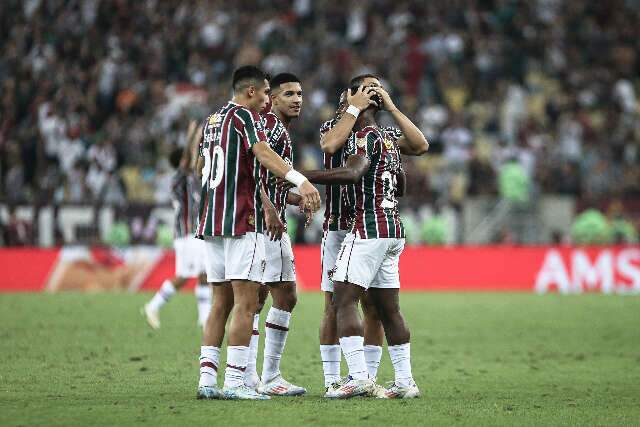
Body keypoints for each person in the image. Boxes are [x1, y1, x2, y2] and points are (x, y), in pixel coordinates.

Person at [195, 65, 320, 401]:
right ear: (252, 91)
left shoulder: (212, 121)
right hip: (241, 221)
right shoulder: (245, 118)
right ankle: (239, 381)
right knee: (248, 302)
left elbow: (200, 168)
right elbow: (263, 156)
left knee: (220, 302)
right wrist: (301, 181)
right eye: (266, 93)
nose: (267, 100)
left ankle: (207, 379)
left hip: (211, 220)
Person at [304, 74, 428, 399]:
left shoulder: (371, 135)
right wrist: (354, 108)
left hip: (366, 227)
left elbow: (358, 169)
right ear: (349, 93)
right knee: (375, 308)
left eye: (377, 88)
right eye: (369, 87)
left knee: (350, 302)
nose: (373, 92)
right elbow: (398, 182)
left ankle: (360, 377)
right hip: (377, 227)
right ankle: (398, 382)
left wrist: (299, 177)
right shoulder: (349, 128)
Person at [242, 73, 307, 396]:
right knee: (286, 294)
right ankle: (270, 376)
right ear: (274, 99)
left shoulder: (274, 127)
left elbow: (269, 180)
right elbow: (254, 170)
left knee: (258, 298)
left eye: (299, 94)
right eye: (289, 94)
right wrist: (268, 207)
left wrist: (294, 199)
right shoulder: (270, 127)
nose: (297, 99)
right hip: (266, 222)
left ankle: (249, 375)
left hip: (263, 218)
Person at [142, 122, 211, 330]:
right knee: (185, 277)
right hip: (188, 234)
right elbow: (187, 159)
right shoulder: (180, 178)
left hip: (191, 234)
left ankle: (204, 319)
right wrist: (193, 135)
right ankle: (153, 306)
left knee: (203, 274)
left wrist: (195, 137)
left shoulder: (188, 179)